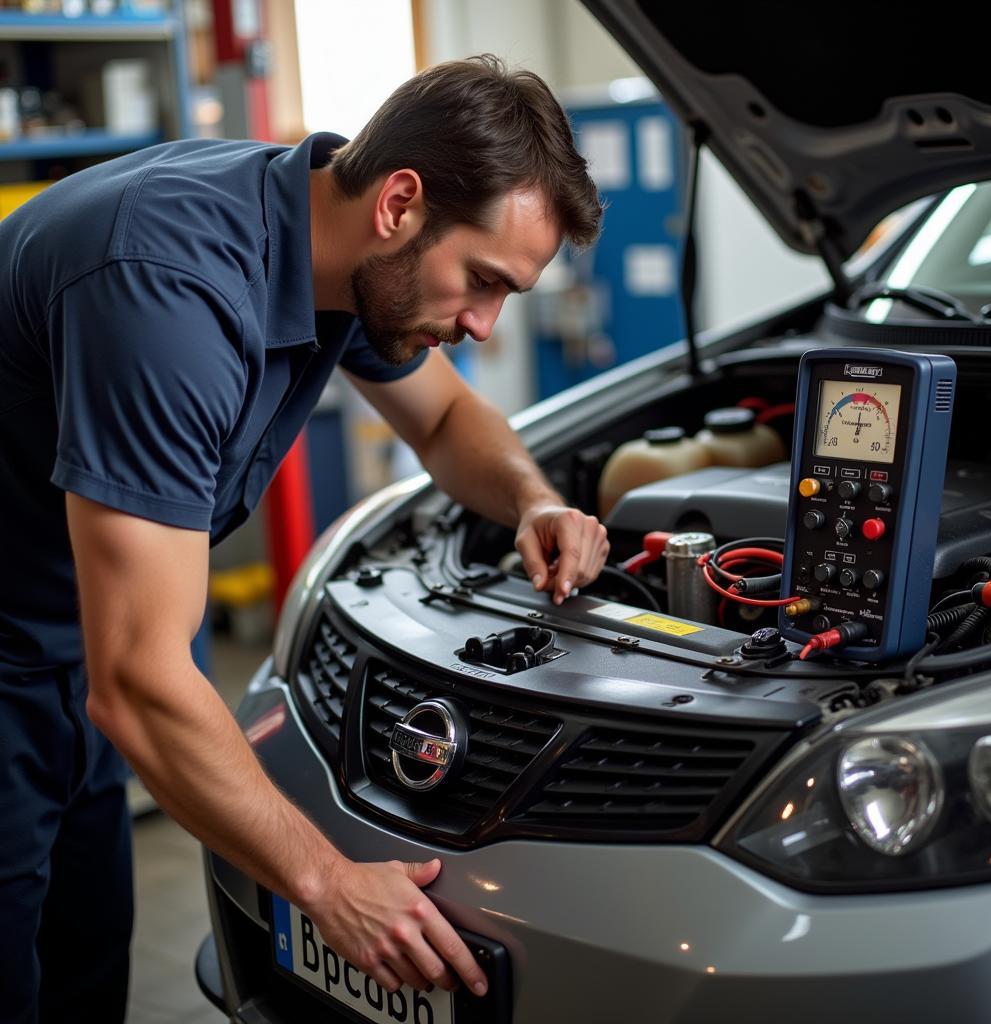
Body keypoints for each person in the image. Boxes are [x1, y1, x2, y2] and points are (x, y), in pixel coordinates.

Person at [0, 54, 606, 1021]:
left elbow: (448, 427)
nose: (486, 326)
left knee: (81, 961)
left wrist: (531, 500)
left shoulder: (333, 240)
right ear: (400, 204)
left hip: (77, 638)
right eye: (482, 281)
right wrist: (326, 884)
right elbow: (141, 680)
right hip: (27, 653)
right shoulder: (171, 293)